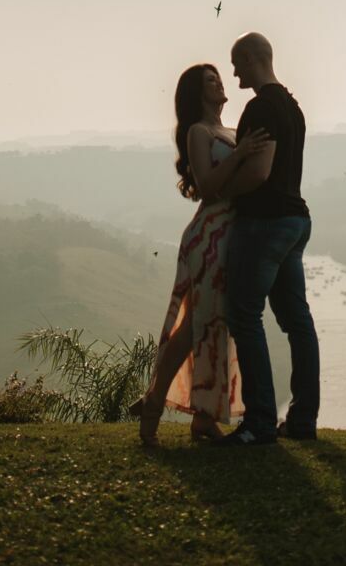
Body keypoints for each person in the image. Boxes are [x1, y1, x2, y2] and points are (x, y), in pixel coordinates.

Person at [132, 62, 270, 446]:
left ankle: (205, 418)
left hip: (234, 231)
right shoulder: (199, 131)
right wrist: (241, 152)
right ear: (197, 93)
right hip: (211, 233)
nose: (220, 82)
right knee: (196, 324)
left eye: (219, 78)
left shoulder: (229, 129)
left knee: (219, 323)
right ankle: (154, 403)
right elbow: (208, 187)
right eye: (210, 80)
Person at [223, 31, 320, 446]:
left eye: (236, 63)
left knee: (244, 315)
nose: (233, 72)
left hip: (265, 222)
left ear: (251, 58)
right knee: (297, 320)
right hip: (295, 220)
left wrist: (223, 182)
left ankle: (260, 421)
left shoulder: (260, 107)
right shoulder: (292, 107)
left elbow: (258, 173)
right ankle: (301, 420)